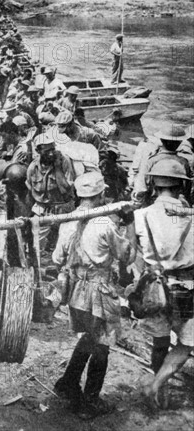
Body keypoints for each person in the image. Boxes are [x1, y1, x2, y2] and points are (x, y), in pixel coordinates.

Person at [52, 172, 136, 418]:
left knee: (90, 335)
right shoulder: (105, 224)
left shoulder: (67, 221)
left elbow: (57, 258)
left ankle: (67, 381)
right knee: (102, 345)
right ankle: (90, 403)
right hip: (99, 290)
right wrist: (129, 222)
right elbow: (127, 256)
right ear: (100, 195)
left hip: (77, 290)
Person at [134, 160, 194, 408]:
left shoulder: (140, 215)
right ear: (182, 184)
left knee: (159, 340)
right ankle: (157, 384)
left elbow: (135, 256)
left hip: (153, 288)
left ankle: (160, 390)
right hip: (185, 288)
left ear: (152, 185)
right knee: (187, 343)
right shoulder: (191, 217)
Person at [26, 130, 76, 254]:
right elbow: (30, 190)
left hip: (63, 207)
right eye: (47, 151)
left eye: (52, 149)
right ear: (38, 151)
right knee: (35, 244)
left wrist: (58, 168)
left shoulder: (64, 161)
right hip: (43, 209)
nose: (51, 153)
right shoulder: (33, 167)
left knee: (68, 244)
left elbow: (66, 190)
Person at [132, 124, 191, 204]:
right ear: (179, 142)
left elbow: (141, 186)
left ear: (161, 140)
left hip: (154, 201)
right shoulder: (184, 162)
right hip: (176, 201)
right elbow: (187, 187)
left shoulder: (152, 160)